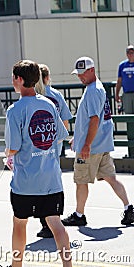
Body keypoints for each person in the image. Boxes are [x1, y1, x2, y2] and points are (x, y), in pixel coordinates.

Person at [5, 60, 71, 267]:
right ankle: (67, 265)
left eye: (14, 77)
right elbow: (61, 134)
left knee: (19, 224)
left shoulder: (14, 110)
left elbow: (13, 147)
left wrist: (7, 155)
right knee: (56, 223)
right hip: (51, 179)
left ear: (20, 79)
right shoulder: (49, 104)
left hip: (25, 182)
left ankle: (17, 265)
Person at [62, 56, 134, 226]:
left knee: (81, 181)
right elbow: (96, 119)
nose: (80, 77)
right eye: (78, 74)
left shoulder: (93, 91)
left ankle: (79, 215)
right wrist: (78, 138)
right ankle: (128, 207)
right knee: (111, 178)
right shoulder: (98, 88)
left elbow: (94, 119)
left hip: (92, 147)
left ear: (92, 70)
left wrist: (85, 144)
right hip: (102, 144)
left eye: (82, 73)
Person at [35, 64, 73, 238]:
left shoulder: (35, 96)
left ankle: (45, 223)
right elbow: (65, 122)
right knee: (54, 183)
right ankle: (55, 218)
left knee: (39, 185)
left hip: (37, 148)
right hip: (54, 148)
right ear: (48, 77)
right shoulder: (56, 95)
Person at [115, 45, 134, 114]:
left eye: (132, 53)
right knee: (128, 114)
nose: (130, 55)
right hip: (127, 93)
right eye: (128, 53)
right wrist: (117, 94)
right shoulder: (122, 65)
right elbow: (119, 81)